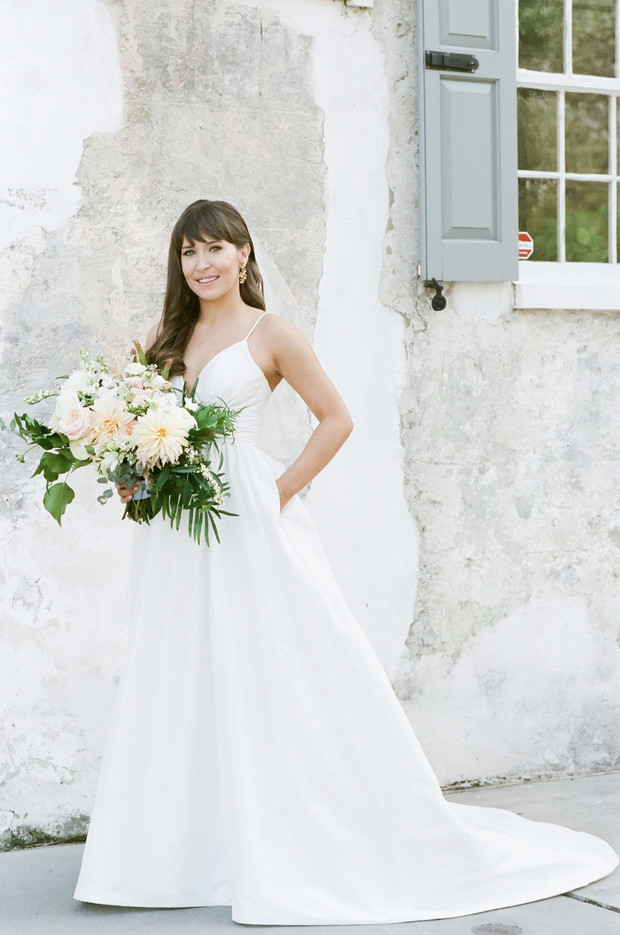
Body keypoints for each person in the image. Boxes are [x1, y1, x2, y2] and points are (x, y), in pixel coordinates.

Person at [73, 200, 618, 925]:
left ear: (243, 255)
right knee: (179, 666)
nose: (201, 263)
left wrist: (276, 491)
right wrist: (128, 473)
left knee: (278, 661)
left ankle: (303, 829)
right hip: (177, 529)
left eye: (215, 248)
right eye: (188, 252)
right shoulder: (165, 337)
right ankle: (176, 851)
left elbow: (337, 418)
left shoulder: (272, 334)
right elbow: (141, 434)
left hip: (247, 520)